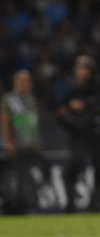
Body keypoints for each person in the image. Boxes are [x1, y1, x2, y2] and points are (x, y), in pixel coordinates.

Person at [58, 55, 100, 212]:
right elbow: (60, 113)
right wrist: (71, 111)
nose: (80, 71)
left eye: (83, 67)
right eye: (78, 67)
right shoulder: (72, 89)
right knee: (76, 163)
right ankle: (70, 202)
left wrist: (90, 108)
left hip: (98, 133)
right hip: (79, 133)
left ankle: (96, 205)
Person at [1, 70, 51, 213]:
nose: (23, 84)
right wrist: (9, 142)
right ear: (15, 83)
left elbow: (34, 123)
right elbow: (5, 122)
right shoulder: (9, 100)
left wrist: (37, 143)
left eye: (26, 81)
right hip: (18, 145)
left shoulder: (32, 100)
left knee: (30, 177)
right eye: (20, 81)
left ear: (30, 83)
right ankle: (21, 208)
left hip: (31, 146)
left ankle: (26, 205)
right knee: (22, 177)